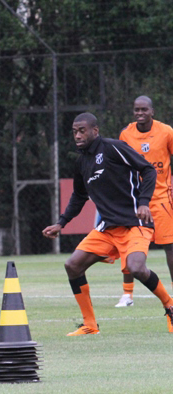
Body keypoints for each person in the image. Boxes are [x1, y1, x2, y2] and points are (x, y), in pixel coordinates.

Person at [42, 112, 173, 335]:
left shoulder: (113, 148)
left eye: (82, 130)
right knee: (72, 265)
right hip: (108, 228)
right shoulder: (81, 162)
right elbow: (79, 196)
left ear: (95, 130)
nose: (78, 135)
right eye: (74, 131)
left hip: (135, 223)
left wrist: (143, 203)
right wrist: (61, 223)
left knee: (136, 267)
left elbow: (148, 170)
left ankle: (169, 305)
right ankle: (90, 325)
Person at [112, 96, 173, 307]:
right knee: (129, 246)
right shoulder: (125, 134)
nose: (140, 113)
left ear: (152, 111)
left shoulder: (166, 131)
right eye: (136, 109)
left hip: (162, 199)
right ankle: (127, 294)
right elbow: (120, 165)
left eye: (144, 109)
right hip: (136, 202)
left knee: (170, 246)